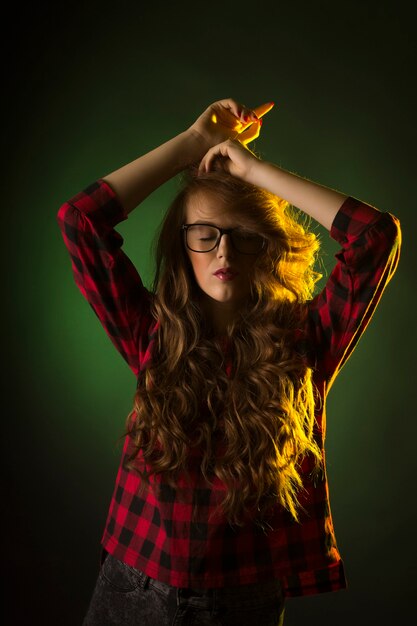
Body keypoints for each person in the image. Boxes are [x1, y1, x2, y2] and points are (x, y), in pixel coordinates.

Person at [56, 98, 401, 626]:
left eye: (242, 235)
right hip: (132, 584)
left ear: (265, 246)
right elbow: (80, 220)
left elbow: (376, 237)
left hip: (241, 600)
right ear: (183, 246)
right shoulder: (151, 331)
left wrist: (252, 169)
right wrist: (191, 145)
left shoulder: (306, 339)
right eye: (205, 234)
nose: (223, 253)